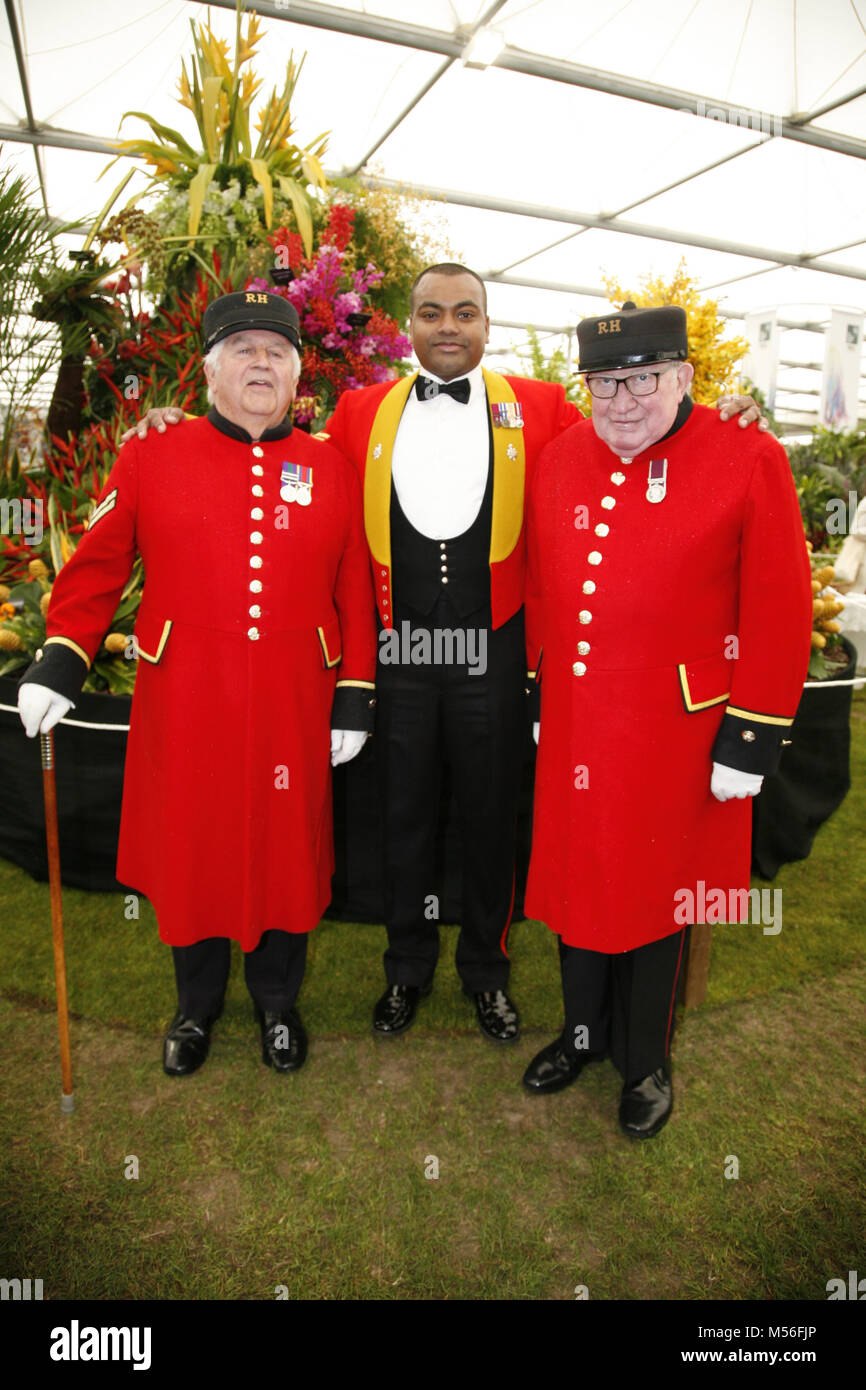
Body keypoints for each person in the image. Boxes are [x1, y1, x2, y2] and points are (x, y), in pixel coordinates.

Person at [123, 265, 763, 1047]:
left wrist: (720, 412)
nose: (449, 326)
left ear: (487, 325)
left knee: (495, 821)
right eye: (431, 313)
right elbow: (266, 448)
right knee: (402, 819)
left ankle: (487, 974)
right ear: (409, 327)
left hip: (493, 651)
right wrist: (170, 421)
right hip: (400, 651)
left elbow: (634, 422)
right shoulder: (360, 411)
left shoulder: (541, 405)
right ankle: (405, 970)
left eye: (466, 312)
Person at [18, 292, 377, 1078]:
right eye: (243, 349)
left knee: (286, 852)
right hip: (186, 695)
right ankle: (195, 1007)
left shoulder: (329, 467)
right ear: (209, 369)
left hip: (294, 700)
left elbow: (356, 587)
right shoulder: (154, 452)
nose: (261, 363)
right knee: (192, 848)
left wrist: (355, 689)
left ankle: (278, 1004)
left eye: (276, 352)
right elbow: (101, 562)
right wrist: (64, 654)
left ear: (294, 373)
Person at [521, 301, 812, 1138]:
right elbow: (542, 585)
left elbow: (780, 605)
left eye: (642, 378)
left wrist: (752, 733)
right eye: (604, 382)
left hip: (680, 737)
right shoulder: (557, 458)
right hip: (578, 725)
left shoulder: (746, 455)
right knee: (580, 887)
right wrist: (543, 692)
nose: (621, 399)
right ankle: (581, 1035)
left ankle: (644, 1061)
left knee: (660, 897)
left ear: (686, 377)